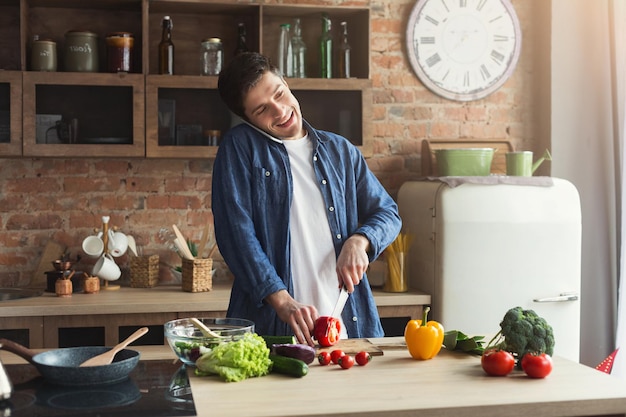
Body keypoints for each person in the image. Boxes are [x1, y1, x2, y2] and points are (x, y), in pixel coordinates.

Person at [212, 52, 401, 346]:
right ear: (247, 119)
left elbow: (388, 213)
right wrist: (282, 301)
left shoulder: (341, 151)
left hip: (350, 324)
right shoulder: (239, 149)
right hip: (275, 329)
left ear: (286, 83)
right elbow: (236, 234)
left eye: (280, 94)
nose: (280, 111)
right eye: (262, 109)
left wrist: (359, 240)